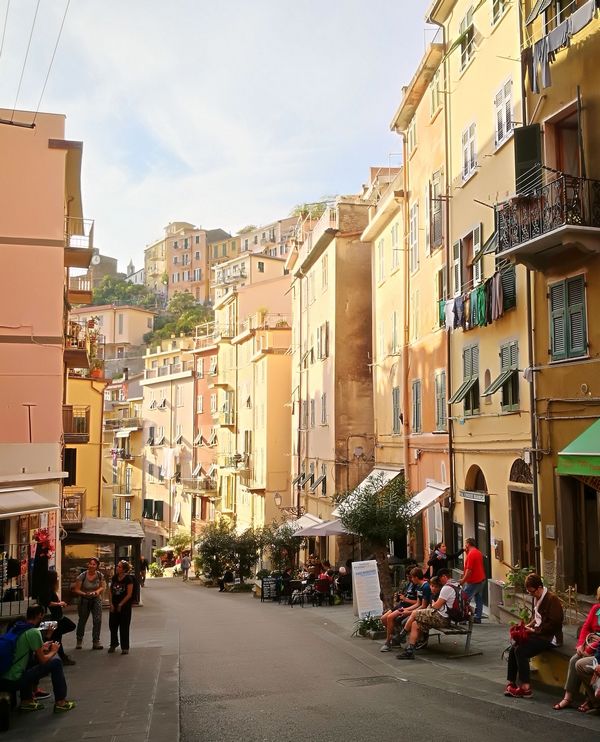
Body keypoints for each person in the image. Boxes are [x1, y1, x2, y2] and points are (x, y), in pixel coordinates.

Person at [0, 604, 76, 712]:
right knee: (56, 663)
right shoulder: (33, 632)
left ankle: (26, 701)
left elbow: (23, 651)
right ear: (40, 615)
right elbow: (43, 660)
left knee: (29, 663)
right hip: (14, 680)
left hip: (5, 676)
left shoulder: (19, 628)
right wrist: (54, 651)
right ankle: (61, 702)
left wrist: (42, 646)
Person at [505, 573, 563, 698]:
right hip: (538, 633)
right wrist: (526, 627)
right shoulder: (537, 597)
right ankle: (512, 682)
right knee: (513, 648)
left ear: (540, 587)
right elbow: (536, 618)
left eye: (532, 592)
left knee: (521, 651)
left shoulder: (552, 599)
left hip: (549, 637)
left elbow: (555, 623)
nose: (531, 594)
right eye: (529, 592)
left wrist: (534, 630)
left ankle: (526, 687)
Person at [553, 585, 600, 711]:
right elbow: (586, 627)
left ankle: (591, 700)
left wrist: (589, 648)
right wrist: (580, 645)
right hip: (591, 644)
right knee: (575, 659)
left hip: (596, 649)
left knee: (581, 664)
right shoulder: (596, 609)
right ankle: (568, 697)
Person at [396, 569, 456, 660]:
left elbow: (436, 606)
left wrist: (432, 605)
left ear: (444, 577)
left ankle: (401, 635)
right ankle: (410, 651)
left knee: (415, 613)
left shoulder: (447, 588)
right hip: (441, 617)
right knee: (415, 624)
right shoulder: (455, 585)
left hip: (442, 618)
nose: (440, 581)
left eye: (440, 579)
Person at [381, 568, 431, 652]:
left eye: (411, 577)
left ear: (416, 577)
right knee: (387, 617)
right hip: (409, 607)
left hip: (421, 611)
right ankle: (395, 638)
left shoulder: (425, 587)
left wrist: (408, 611)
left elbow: (423, 605)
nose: (410, 579)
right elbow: (418, 603)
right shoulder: (418, 586)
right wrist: (405, 609)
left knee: (393, 618)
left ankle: (391, 641)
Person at [38, 571, 76, 666]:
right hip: (55, 617)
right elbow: (47, 602)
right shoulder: (48, 590)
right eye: (57, 577)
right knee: (58, 635)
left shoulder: (49, 589)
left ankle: (60, 654)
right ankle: (61, 656)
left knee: (58, 635)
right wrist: (59, 604)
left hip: (57, 616)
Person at [73, 557, 105, 650]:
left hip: (96, 599)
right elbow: (77, 589)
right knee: (82, 620)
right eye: (90, 564)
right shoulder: (82, 576)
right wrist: (85, 593)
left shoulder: (99, 575)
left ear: (97, 566)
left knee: (97, 620)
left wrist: (96, 592)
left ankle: (96, 641)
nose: (91, 566)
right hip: (84, 600)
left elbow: (102, 587)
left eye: (94, 564)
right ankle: (79, 640)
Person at [108, 560, 135, 655]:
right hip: (114, 604)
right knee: (113, 625)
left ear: (124, 569)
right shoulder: (115, 577)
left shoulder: (128, 579)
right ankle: (113, 643)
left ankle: (125, 647)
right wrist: (111, 603)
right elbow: (111, 591)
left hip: (125, 606)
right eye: (117, 566)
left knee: (124, 626)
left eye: (119, 567)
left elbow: (129, 594)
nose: (117, 568)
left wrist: (121, 604)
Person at [460, 538, 486, 623]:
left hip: (473, 581)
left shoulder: (471, 554)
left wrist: (463, 580)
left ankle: (463, 618)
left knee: (464, 598)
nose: (465, 546)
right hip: (481, 579)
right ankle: (478, 617)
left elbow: (469, 570)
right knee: (478, 598)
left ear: (468, 544)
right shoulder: (477, 552)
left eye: (465, 544)